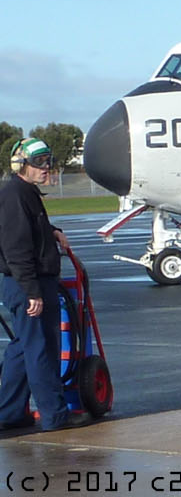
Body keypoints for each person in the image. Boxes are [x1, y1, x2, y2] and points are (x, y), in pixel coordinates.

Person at [0, 138, 88, 430]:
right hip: (28, 284)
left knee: (22, 347)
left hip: (31, 282)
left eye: (48, 161)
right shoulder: (14, 193)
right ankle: (55, 415)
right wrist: (32, 291)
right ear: (21, 165)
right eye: (39, 163)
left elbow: (29, 228)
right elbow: (15, 247)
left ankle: (9, 413)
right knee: (41, 349)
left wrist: (52, 231)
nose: (46, 168)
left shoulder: (24, 192)